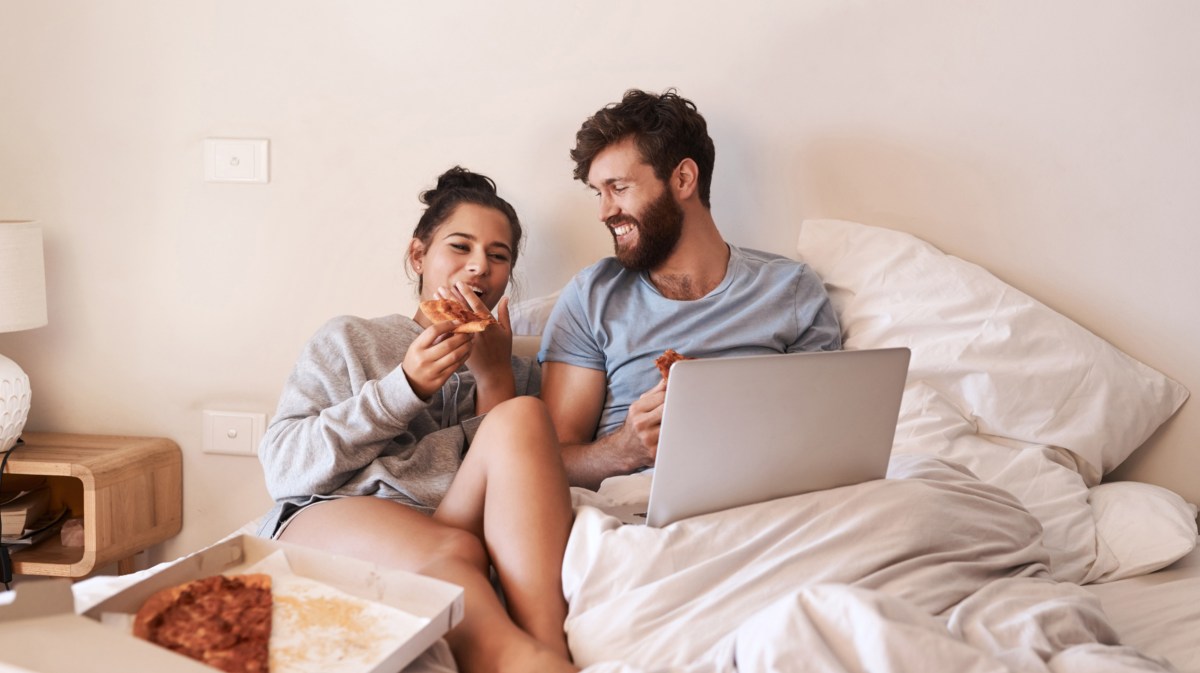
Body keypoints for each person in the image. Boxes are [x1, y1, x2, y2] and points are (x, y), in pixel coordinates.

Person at [257, 167, 578, 673]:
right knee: (456, 552)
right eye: (460, 246)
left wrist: (495, 381)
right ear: (418, 256)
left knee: (523, 417)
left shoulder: (517, 371)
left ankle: (549, 650)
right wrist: (403, 387)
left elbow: (509, 494)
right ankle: (519, 659)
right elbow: (284, 472)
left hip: (446, 525)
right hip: (339, 516)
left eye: (499, 256)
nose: (479, 268)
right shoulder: (350, 339)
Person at [539, 89, 843, 490]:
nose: (604, 211)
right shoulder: (591, 298)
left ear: (683, 179)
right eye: (600, 192)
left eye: (619, 188)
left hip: (770, 500)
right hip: (641, 507)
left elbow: (829, 439)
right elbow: (548, 463)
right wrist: (626, 449)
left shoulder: (789, 289)